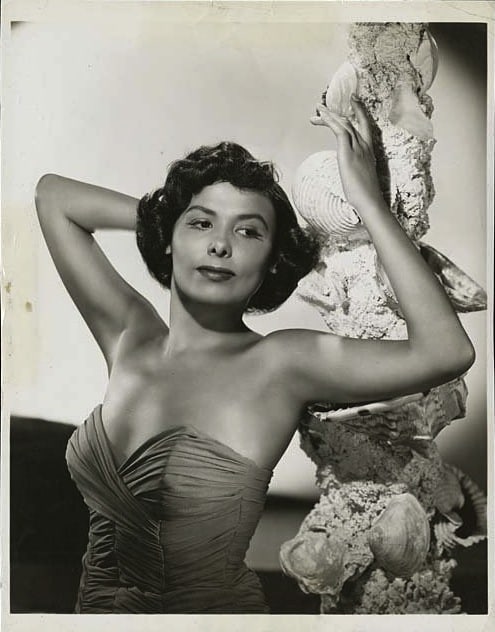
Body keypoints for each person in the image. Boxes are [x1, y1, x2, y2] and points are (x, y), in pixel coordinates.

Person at [34, 97, 475, 614]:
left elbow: (446, 351)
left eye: (248, 232)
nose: (220, 245)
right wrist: (166, 218)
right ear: (170, 239)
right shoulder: (130, 337)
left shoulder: (280, 363)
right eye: (202, 225)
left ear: (271, 262)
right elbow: (53, 197)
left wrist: (367, 201)